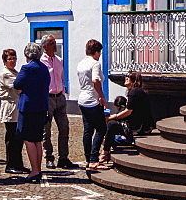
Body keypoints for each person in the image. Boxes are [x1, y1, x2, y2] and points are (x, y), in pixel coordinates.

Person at [13, 41, 50, 183]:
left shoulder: (27, 68)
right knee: (37, 140)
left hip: (28, 108)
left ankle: (34, 170)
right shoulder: (44, 68)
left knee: (28, 139)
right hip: (41, 107)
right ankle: (38, 169)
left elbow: (17, 84)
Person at [100, 71, 155, 165]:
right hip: (139, 125)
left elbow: (128, 111)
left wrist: (114, 117)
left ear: (134, 80)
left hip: (138, 128)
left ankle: (105, 152)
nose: (126, 78)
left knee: (111, 124)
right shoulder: (136, 91)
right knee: (111, 128)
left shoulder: (134, 92)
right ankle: (107, 149)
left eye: (128, 77)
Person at [40, 35, 77, 169]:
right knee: (46, 130)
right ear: (44, 46)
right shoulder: (41, 62)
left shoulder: (59, 60)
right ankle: (49, 157)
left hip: (59, 97)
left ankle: (63, 157)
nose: (54, 45)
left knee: (64, 128)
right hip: (47, 98)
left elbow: (61, 77)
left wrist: (62, 91)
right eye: (51, 43)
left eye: (55, 43)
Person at [77, 38, 108, 172]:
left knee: (88, 130)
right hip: (92, 100)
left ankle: (88, 159)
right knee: (101, 129)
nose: (100, 54)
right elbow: (96, 80)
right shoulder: (95, 64)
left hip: (82, 99)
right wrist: (101, 96)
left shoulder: (81, 63)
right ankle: (94, 159)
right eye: (99, 52)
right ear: (95, 52)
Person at [0, 48, 28, 175]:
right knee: (12, 137)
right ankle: (10, 164)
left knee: (18, 138)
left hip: (17, 106)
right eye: (10, 59)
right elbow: (18, 87)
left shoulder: (15, 72)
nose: (12, 61)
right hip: (10, 107)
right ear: (5, 61)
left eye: (14, 58)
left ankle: (18, 164)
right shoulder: (5, 74)